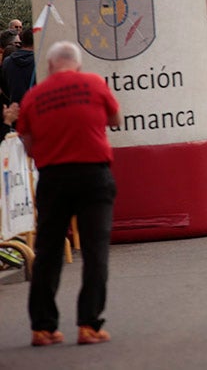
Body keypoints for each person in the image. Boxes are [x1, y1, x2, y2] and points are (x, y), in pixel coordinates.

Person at [19, 41, 122, 346]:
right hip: (94, 175)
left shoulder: (33, 96)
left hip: (53, 178)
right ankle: (89, 325)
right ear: (76, 65)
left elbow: (26, 144)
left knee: (48, 252)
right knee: (95, 250)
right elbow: (115, 120)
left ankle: (43, 327)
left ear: (50, 66)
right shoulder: (93, 83)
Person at [1, 26, 35, 107]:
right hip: (34, 109)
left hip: (14, 109)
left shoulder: (7, 62)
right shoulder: (39, 61)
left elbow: (4, 87)